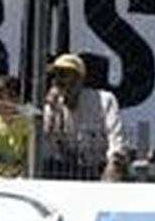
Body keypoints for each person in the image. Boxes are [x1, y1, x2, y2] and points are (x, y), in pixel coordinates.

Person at [41, 52, 126, 181]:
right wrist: (52, 113)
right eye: (55, 76)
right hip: (65, 173)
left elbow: (117, 143)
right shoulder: (53, 105)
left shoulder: (104, 100)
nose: (57, 80)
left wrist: (111, 172)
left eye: (63, 75)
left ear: (79, 79)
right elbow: (45, 149)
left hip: (99, 171)